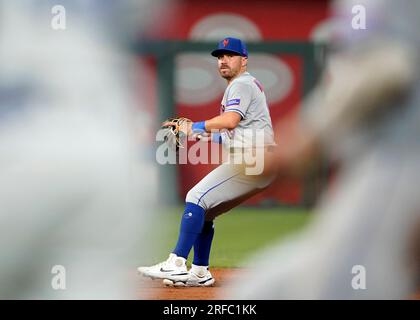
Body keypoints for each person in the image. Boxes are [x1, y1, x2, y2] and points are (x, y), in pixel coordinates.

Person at [226, 0, 420, 299]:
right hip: (381, 163)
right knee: (265, 289)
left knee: (342, 286)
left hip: (399, 161)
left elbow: (385, 69)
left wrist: (306, 139)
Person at [137, 37, 276, 287]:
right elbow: (233, 134)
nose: (223, 60)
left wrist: (195, 126)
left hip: (255, 159)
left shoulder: (241, 85)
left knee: (196, 196)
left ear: (243, 60)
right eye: (220, 56)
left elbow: (230, 121)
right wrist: (197, 133)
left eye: (230, 55)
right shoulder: (244, 85)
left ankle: (177, 262)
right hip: (257, 158)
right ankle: (200, 272)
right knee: (206, 212)